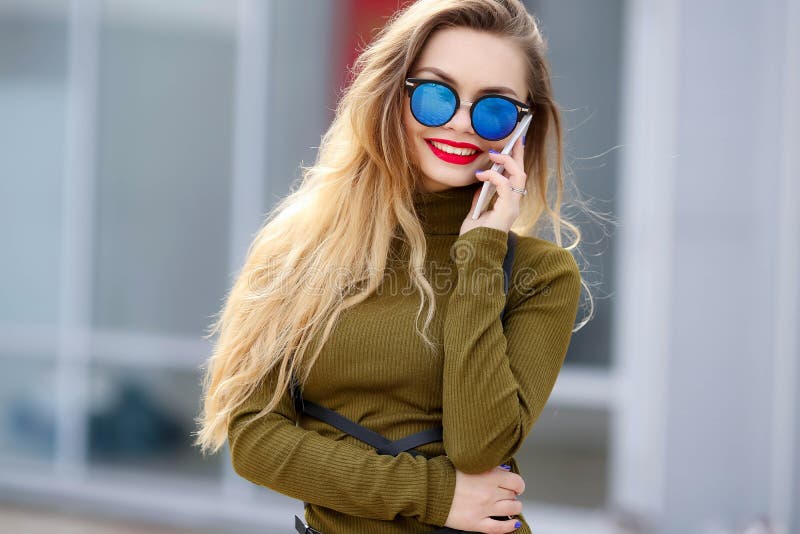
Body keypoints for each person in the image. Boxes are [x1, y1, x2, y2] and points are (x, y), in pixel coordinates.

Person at [194, 0, 591, 533]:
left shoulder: (540, 275)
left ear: (521, 129)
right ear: (391, 93)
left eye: (493, 108)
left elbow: (480, 446)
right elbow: (254, 440)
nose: (458, 123)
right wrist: (432, 493)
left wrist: (479, 254)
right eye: (434, 94)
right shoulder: (301, 248)